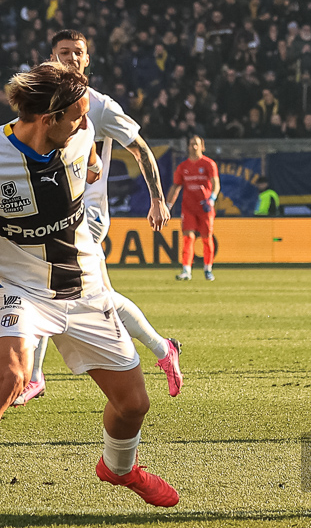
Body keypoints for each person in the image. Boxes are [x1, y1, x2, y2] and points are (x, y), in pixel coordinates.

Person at [0, 62, 178, 506]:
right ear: (47, 118)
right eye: (77, 116)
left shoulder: (80, 135)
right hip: (20, 288)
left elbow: (92, 160)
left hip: (86, 288)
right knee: (9, 377)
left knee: (134, 405)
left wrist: (92, 167)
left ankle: (119, 470)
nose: (85, 124)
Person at [13, 30, 183, 407]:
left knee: (43, 279)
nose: (71, 58)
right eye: (64, 52)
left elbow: (139, 148)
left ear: (87, 60)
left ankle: (34, 376)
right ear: (51, 57)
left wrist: (157, 199)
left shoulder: (99, 106)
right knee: (100, 299)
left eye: (78, 53)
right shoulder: (41, 100)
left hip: (85, 216)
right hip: (50, 210)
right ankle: (163, 348)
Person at [166, 135, 220, 282]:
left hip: (205, 207)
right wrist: (168, 205)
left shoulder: (209, 164)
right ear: (188, 147)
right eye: (191, 144)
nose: (194, 147)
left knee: (206, 238)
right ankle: (186, 270)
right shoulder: (183, 167)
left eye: (196, 144)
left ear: (202, 147)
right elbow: (176, 186)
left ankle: (208, 269)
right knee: (188, 237)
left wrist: (212, 199)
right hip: (188, 208)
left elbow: (216, 183)